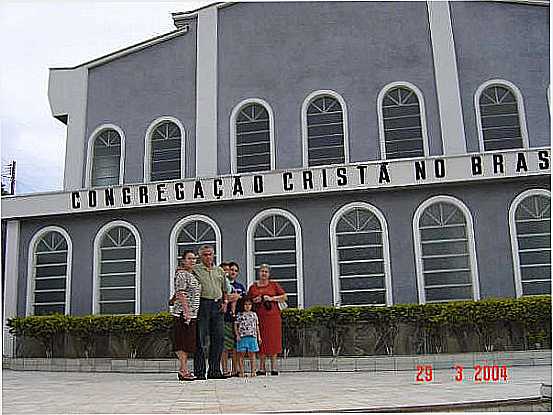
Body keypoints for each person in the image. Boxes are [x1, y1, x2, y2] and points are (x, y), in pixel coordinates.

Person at [193, 245, 229, 380]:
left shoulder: (219, 270)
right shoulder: (195, 270)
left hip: (217, 305)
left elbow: (225, 288)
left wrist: (225, 302)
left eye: (210, 254)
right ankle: (200, 371)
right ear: (200, 256)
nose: (208, 257)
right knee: (201, 339)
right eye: (205, 255)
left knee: (219, 338)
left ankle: (214, 370)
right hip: (203, 305)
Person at [247, 264, 287, 376]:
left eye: (266, 272)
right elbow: (248, 301)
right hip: (259, 317)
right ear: (258, 273)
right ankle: (262, 367)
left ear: (269, 274)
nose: (264, 274)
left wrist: (271, 298)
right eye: (262, 271)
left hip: (273, 317)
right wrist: (255, 300)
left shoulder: (274, 285)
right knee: (261, 341)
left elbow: (284, 296)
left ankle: (274, 367)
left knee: (274, 340)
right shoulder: (253, 287)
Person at [171, 250, 201, 381]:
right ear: (183, 260)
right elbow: (181, 293)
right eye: (189, 258)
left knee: (187, 343)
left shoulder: (191, 274)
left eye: (194, 259)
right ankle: (183, 370)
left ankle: (184, 369)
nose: (192, 261)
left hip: (192, 314)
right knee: (182, 343)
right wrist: (186, 312)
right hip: (183, 314)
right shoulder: (182, 274)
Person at [221, 261, 246, 377]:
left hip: (238, 320)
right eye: (231, 270)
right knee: (225, 347)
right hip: (225, 319)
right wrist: (231, 298)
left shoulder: (240, 286)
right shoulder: (222, 285)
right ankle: (225, 370)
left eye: (236, 271)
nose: (233, 272)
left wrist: (238, 297)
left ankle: (235, 370)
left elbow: (245, 302)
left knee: (236, 346)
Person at [234, 297, 262, 377]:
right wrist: (237, 335)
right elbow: (236, 325)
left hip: (252, 337)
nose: (247, 306)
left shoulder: (254, 314)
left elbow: (257, 326)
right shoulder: (239, 314)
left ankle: (253, 371)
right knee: (241, 354)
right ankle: (242, 372)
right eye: (245, 304)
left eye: (249, 304)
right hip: (242, 337)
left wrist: (259, 337)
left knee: (252, 355)